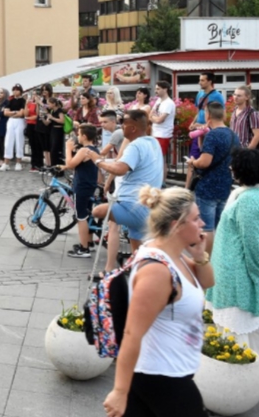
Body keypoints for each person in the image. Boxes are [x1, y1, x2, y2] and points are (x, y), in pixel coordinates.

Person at [102, 186, 213, 417]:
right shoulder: (157, 271)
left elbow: (207, 282)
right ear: (176, 225)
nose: (202, 224)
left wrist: (199, 255)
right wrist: (120, 391)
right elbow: (132, 333)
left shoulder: (173, 255)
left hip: (169, 372)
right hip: (160, 377)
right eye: (196, 219)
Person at [88, 110, 165, 272]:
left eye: (124, 123)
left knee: (97, 211)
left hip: (133, 205)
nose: (121, 126)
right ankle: (141, 273)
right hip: (148, 204)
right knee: (137, 247)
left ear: (133, 128)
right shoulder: (153, 142)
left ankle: (111, 269)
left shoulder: (135, 146)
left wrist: (98, 161)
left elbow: (120, 168)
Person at [206, 148, 259, 349]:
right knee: (240, 344)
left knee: (238, 345)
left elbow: (253, 245)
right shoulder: (246, 196)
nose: (230, 168)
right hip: (235, 278)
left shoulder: (246, 198)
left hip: (236, 279)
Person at [186, 101, 237, 255]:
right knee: (220, 226)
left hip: (208, 186)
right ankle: (220, 258)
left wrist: (193, 162)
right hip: (225, 185)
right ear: (224, 115)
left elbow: (204, 162)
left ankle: (207, 260)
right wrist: (202, 137)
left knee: (206, 227)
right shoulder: (233, 135)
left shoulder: (213, 135)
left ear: (208, 115)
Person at [63, 124, 100, 258]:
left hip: (81, 186)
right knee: (88, 214)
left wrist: (68, 149)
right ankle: (89, 242)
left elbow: (70, 164)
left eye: (79, 134)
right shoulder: (94, 149)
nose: (77, 136)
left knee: (81, 216)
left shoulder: (84, 150)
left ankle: (84, 249)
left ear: (84, 136)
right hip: (90, 185)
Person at [150, 81, 176, 173]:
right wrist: (155, 118)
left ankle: (162, 180)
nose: (155, 91)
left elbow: (160, 120)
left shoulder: (169, 103)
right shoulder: (158, 101)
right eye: (155, 89)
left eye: (158, 89)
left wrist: (154, 118)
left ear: (165, 89)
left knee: (160, 159)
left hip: (163, 134)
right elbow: (150, 115)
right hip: (155, 133)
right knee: (154, 159)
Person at [0, 85, 26, 171]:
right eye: (14, 90)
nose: (15, 91)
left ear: (20, 91)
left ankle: (18, 162)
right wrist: (14, 112)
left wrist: (11, 113)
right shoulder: (10, 100)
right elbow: (5, 113)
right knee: (8, 141)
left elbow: (21, 113)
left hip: (20, 121)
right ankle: (6, 162)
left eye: (17, 90)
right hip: (11, 121)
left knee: (19, 141)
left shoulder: (23, 101)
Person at [25, 90, 42, 172]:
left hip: (37, 125)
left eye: (35, 95)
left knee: (38, 145)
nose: (34, 96)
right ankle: (33, 164)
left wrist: (38, 104)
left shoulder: (40, 104)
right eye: (33, 95)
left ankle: (39, 164)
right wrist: (26, 104)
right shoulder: (30, 103)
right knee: (32, 145)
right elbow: (25, 114)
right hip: (30, 125)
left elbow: (37, 116)